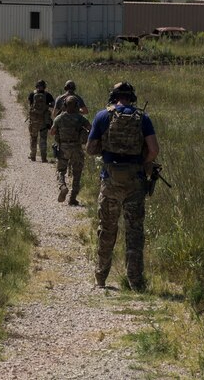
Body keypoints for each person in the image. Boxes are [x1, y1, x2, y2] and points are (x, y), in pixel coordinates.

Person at [86, 81, 159, 291]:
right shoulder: (142, 118)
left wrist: (106, 150)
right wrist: (143, 162)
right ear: (132, 97)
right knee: (134, 233)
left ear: (113, 96)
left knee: (107, 229)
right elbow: (153, 149)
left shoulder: (102, 116)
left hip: (110, 181)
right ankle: (135, 282)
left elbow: (90, 149)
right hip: (135, 182)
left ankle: (101, 278)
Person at [49, 95, 91, 205]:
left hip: (63, 148)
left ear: (65, 105)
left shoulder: (60, 118)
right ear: (77, 106)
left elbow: (52, 132)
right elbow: (90, 128)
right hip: (76, 148)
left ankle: (63, 186)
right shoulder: (80, 118)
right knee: (77, 173)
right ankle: (72, 198)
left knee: (61, 170)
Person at [27, 79, 54, 162]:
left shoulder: (32, 94)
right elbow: (53, 105)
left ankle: (33, 156)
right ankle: (43, 157)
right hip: (44, 120)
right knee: (43, 139)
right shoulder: (48, 95)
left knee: (33, 138)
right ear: (44, 87)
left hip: (34, 120)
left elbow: (30, 104)